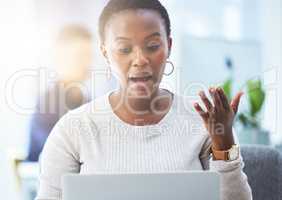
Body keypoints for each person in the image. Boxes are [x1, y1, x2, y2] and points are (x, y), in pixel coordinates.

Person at [36, 0, 252, 199]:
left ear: (168, 46)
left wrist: (224, 143)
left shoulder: (203, 121)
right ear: (105, 53)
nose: (139, 60)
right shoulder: (73, 129)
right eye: (124, 49)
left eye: (152, 46)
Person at [26, 25, 93, 161]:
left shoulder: (85, 100)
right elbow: (56, 149)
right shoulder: (48, 102)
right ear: (61, 58)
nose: (88, 62)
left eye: (89, 55)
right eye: (80, 55)